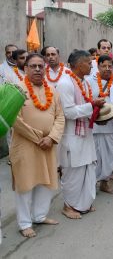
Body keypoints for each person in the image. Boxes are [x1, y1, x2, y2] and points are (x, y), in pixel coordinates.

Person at [9, 53, 65, 237]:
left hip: (48, 145)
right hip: (26, 145)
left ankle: (40, 216)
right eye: (33, 66)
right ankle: (25, 223)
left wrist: (52, 138)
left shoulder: (53, 91)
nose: (38, 69)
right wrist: (38, 137)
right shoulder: (16, 90)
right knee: (25, 184)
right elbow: (14, 120)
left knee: (45, 182)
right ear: (25, 69)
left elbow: (60, 117)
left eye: (41, 66)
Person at [57, 50, 105, 219]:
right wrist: (92, 106)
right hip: (72, 135)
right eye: (88, 62)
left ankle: (83, 203)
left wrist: (99, 116)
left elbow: (86, 108)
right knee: (73, 172)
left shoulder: (84, 82)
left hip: (86, 133)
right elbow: (68, 112)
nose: (92, 65)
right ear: (77, 65)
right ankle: (68, 206)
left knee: (88, 169)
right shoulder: (65, 83)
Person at [86, 55, 113, 194]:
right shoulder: (89, 82)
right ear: (98, 66)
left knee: (112, 156)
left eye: (110, 66)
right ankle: (91, 185)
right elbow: (86, 101)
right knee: (95, 158)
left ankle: (104, 182)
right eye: (104, 66)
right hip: (96, 127)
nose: (107, 69)